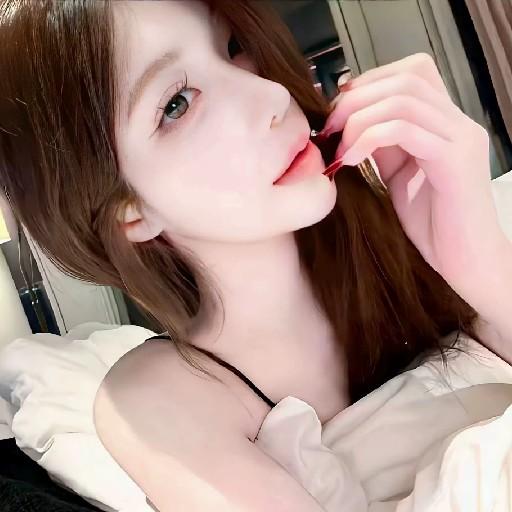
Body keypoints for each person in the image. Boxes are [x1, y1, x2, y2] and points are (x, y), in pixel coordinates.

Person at [1, 1, 511, 510]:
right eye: (176, 104)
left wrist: (480, 261)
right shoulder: (168, 395)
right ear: (126, 211)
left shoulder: (398, 224)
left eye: (233, 46)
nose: (272, 94)